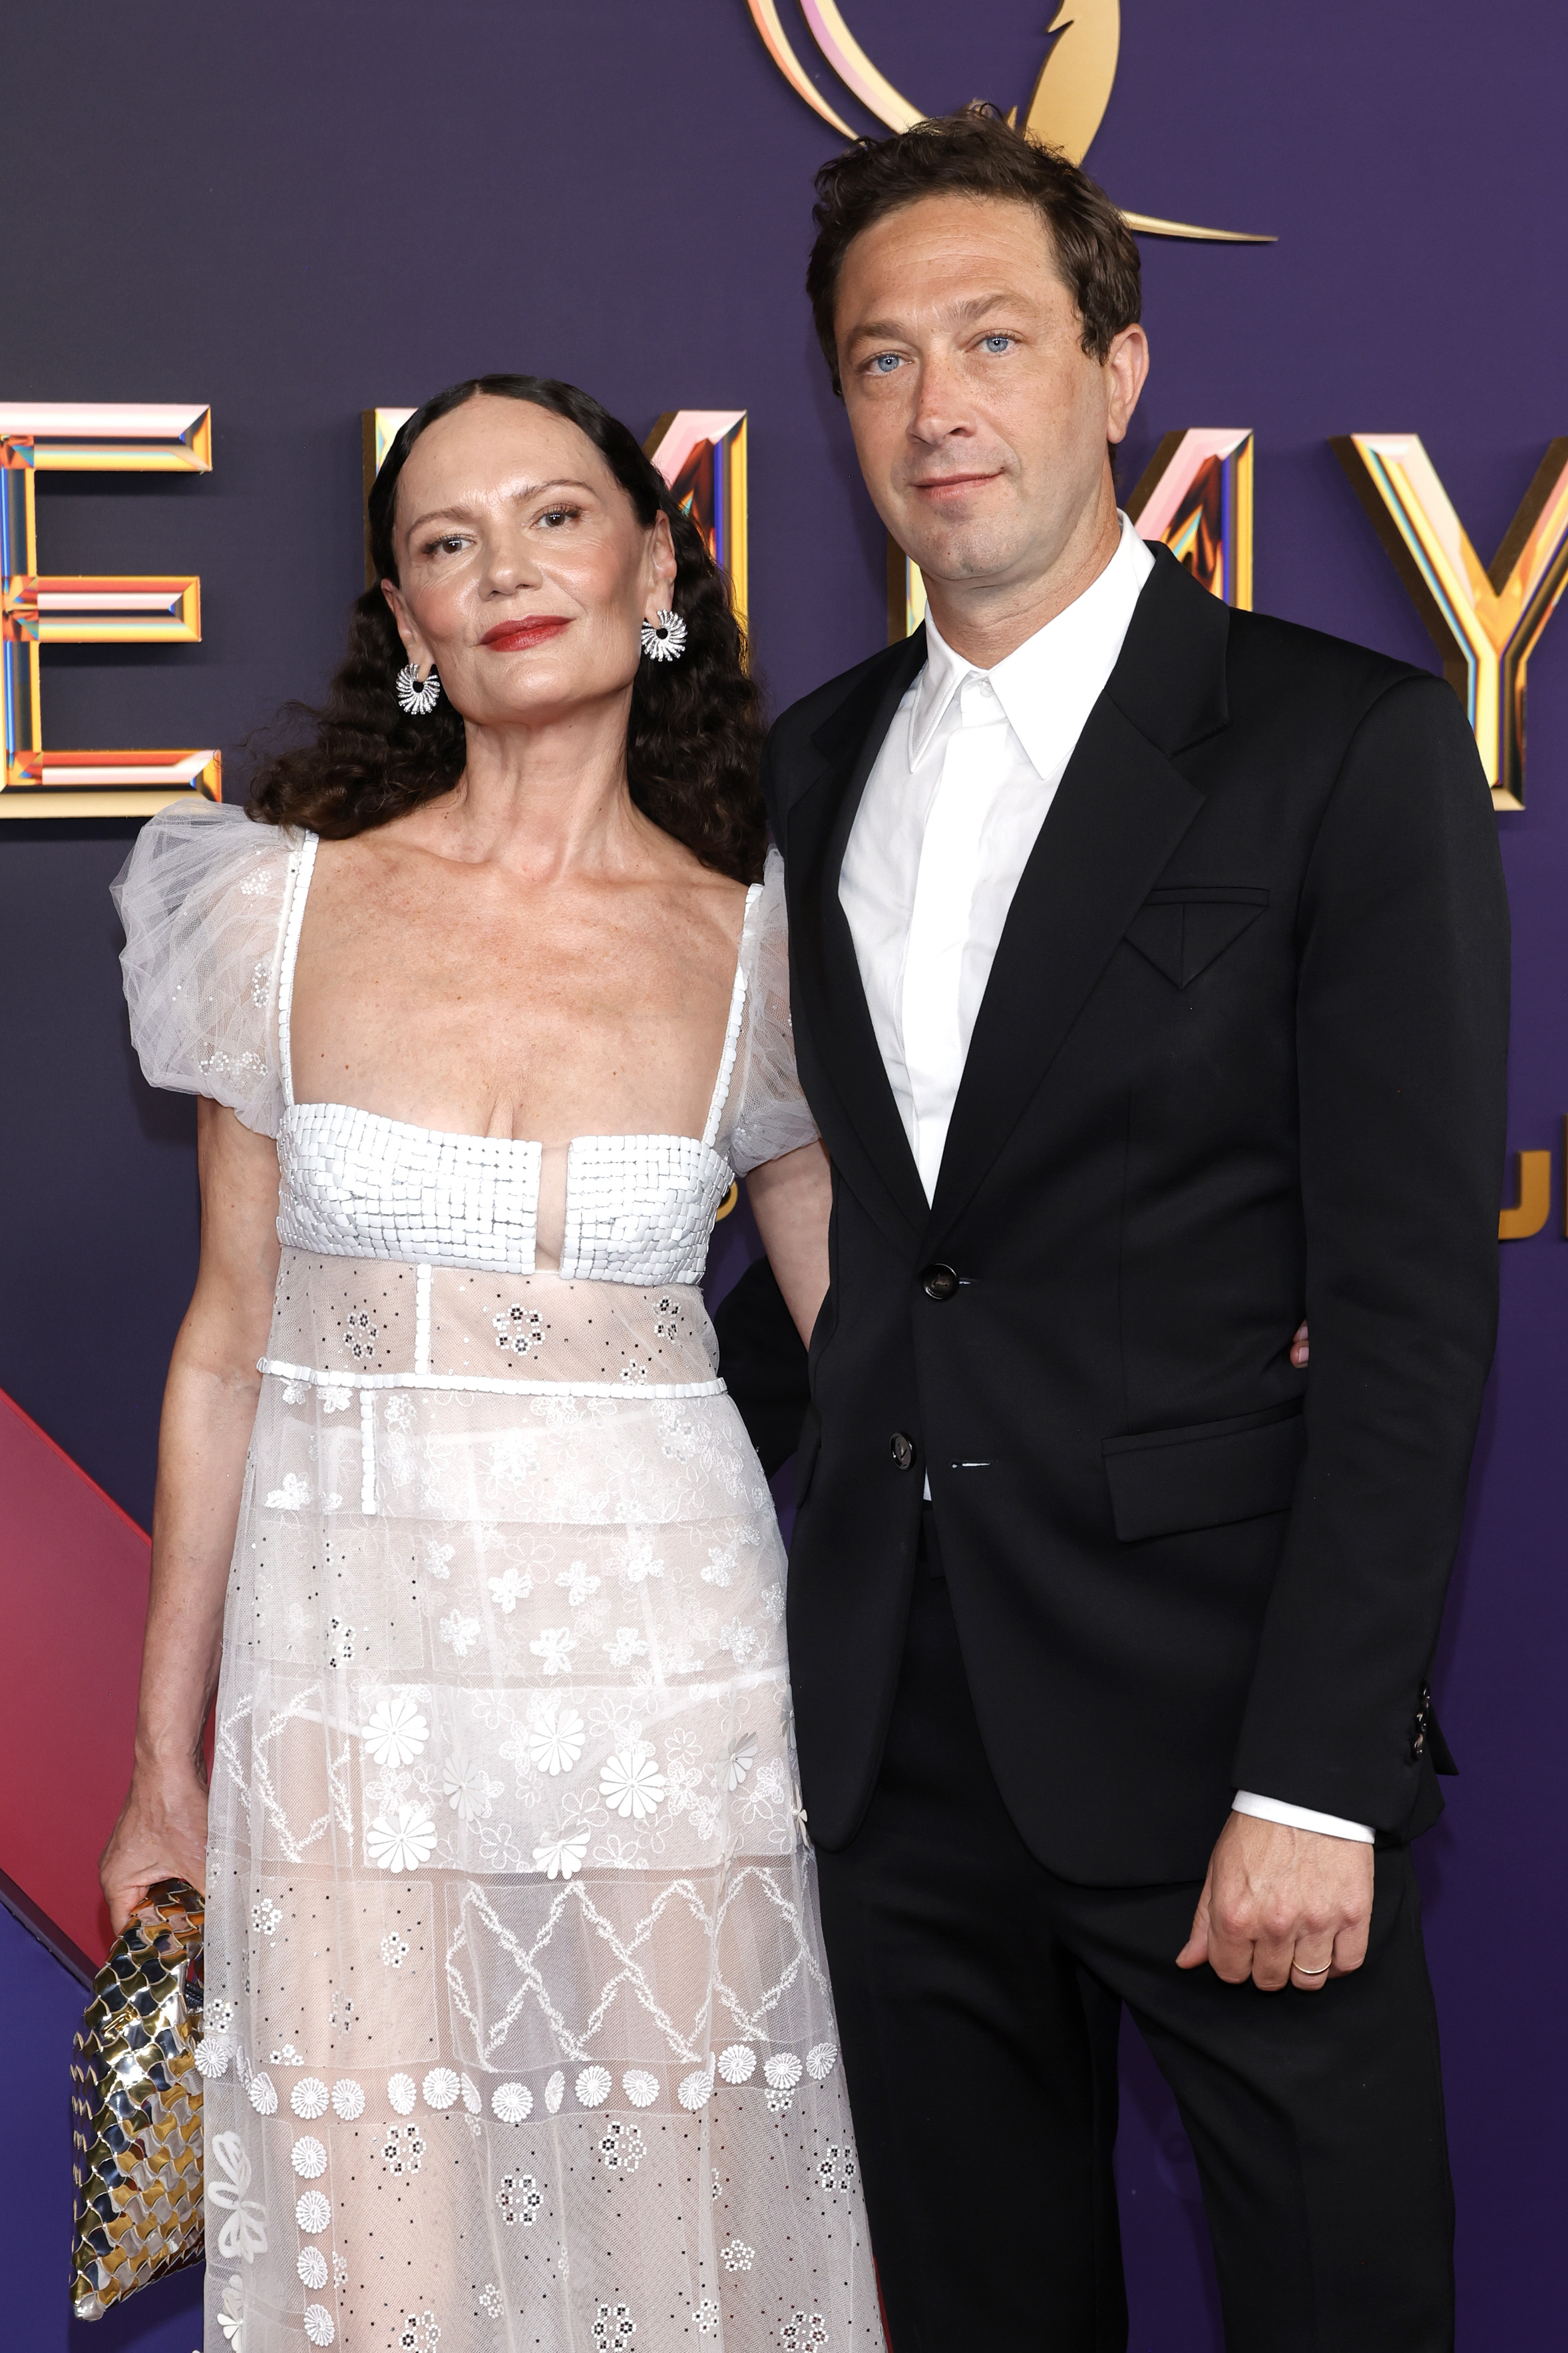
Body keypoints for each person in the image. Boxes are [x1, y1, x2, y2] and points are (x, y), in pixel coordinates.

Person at [716, 110, 1509, 2352]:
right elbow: (848, 1255)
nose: (936, 403)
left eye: (991, 338)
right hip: (896, 1742)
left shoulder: (1334, 748)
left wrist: (1314, 1779)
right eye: (880, 359)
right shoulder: (809, 763)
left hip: (1216, 1733)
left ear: (1116, 371)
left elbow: (1403, 1311)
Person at [102, 375, 881, 2353]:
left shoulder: (771, 954)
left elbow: (878, 1358)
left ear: (654, 560)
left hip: (668, 1696)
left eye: (552, 517)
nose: (508, 571)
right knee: (380, 2258)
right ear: (410, 622)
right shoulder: (276, 911)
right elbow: (219, 1349)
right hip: (346, 1694)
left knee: (671, 2219)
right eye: (450, 542)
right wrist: (158, 1764)